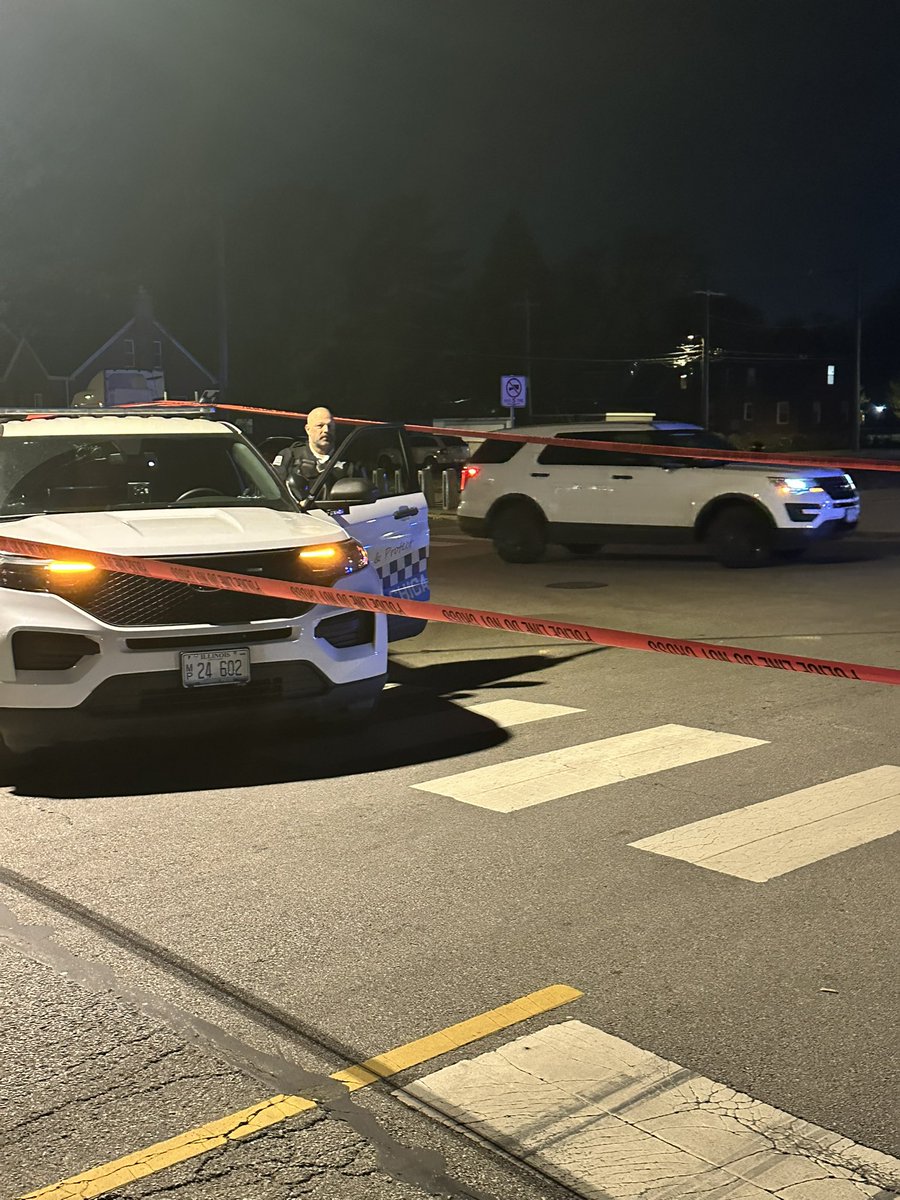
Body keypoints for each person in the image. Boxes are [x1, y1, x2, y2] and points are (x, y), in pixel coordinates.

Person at [273, 407, 341, 498]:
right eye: (320, 426)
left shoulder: (347, 459)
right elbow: (275, 491)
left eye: (330, 426)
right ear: (308, 429)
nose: (326, 430)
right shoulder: (290, 456)